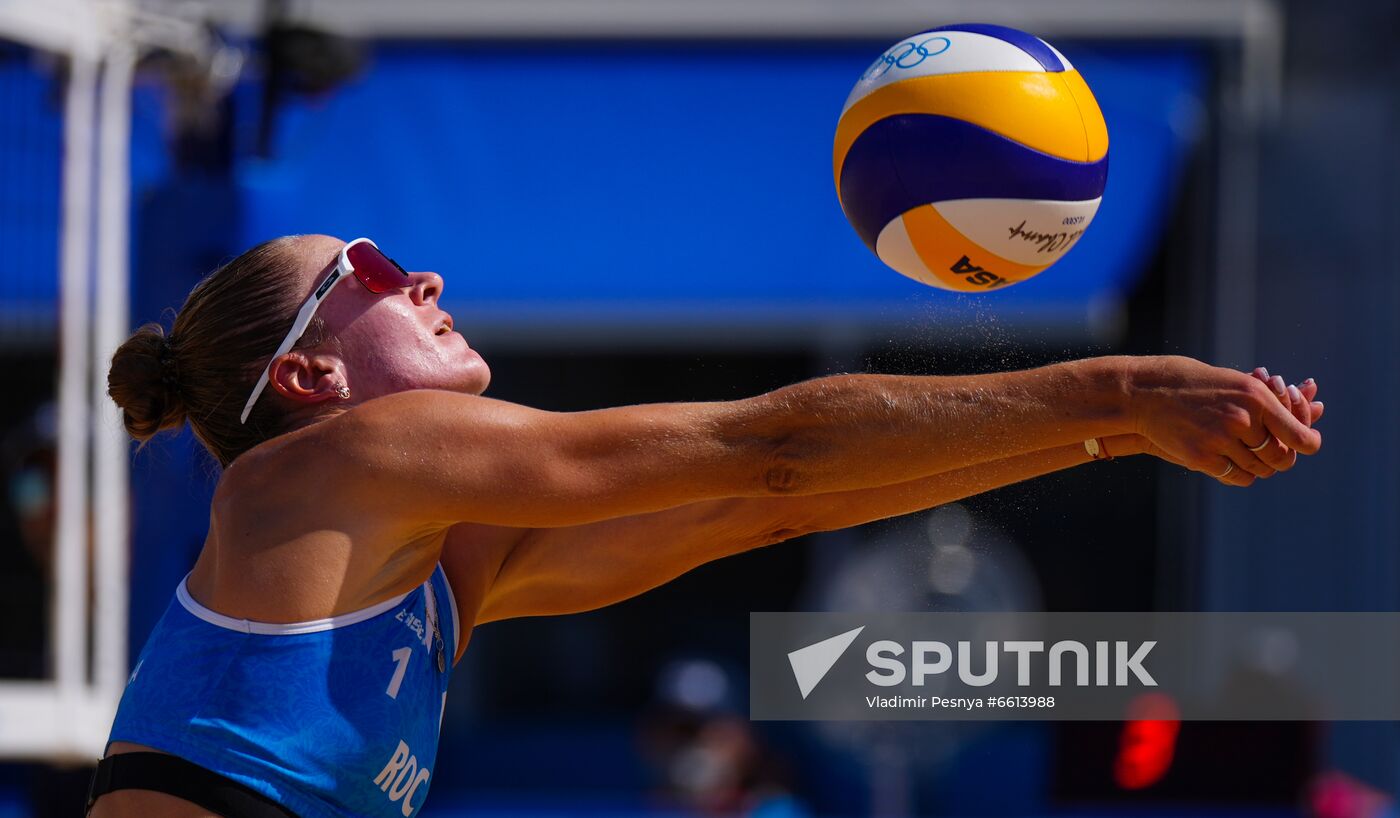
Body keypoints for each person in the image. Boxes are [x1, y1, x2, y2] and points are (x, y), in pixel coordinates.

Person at [89, 234, 1324, 818]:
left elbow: (764, 500)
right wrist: (1121, 385)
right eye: (366, 268)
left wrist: (1117, 433)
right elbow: (768, 444)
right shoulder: (333, 461)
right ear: (308, 376)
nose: (425, 279)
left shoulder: (431, 569)